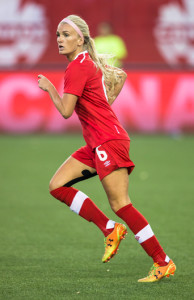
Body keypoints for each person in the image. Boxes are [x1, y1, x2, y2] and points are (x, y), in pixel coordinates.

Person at [38, 15, 176, 282]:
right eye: (58, 34)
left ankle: (163, 261)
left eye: (66, 35)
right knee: (58, 186)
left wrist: (50, 89)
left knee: (121, 204)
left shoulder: (77, 67)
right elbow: (120, 76)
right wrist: (104, 105)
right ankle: (109, 229)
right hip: (97, 141)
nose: (60, 39)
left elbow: (66, 111)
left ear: (81, 39)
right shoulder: (87, 63)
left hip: (107, 141)